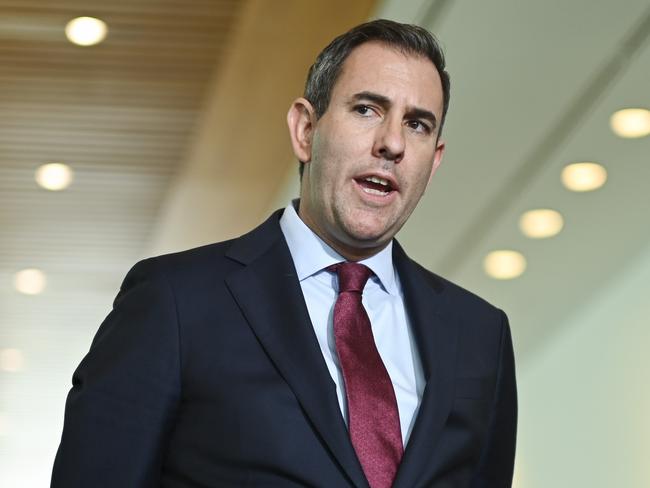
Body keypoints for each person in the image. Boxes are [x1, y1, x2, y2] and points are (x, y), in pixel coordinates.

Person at [51, 19, 516, 488]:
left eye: (416, 124)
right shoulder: (174, 302)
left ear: (433, 161)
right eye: (367, 110)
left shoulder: (481, 335)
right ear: (306, 129)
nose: (392, 143)